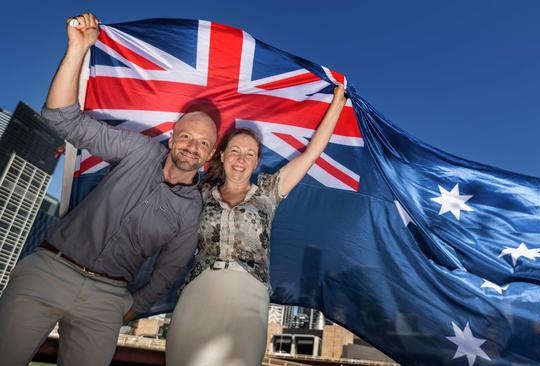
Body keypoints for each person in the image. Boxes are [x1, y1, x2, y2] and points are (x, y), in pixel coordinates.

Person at [0, 13, 219, 366]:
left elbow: (168, 270)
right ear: (174, 135)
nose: (192, 146)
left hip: (108, 298)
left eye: (203, 143)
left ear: (211, 153)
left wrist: (132, 308)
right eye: (187, 136)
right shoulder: (140, 149)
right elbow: (61, 117)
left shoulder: (192, 211)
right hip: (50, 270)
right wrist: (78, 49)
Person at [165, 86, 348, 366]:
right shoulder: (199, 191)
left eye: (249, 154)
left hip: (248, 297)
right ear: (222, 155)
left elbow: (312, 153)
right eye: (235, 151)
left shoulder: (268, 191)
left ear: (257, 162)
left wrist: (337, 101)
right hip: (198, 291)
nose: (241, 160)